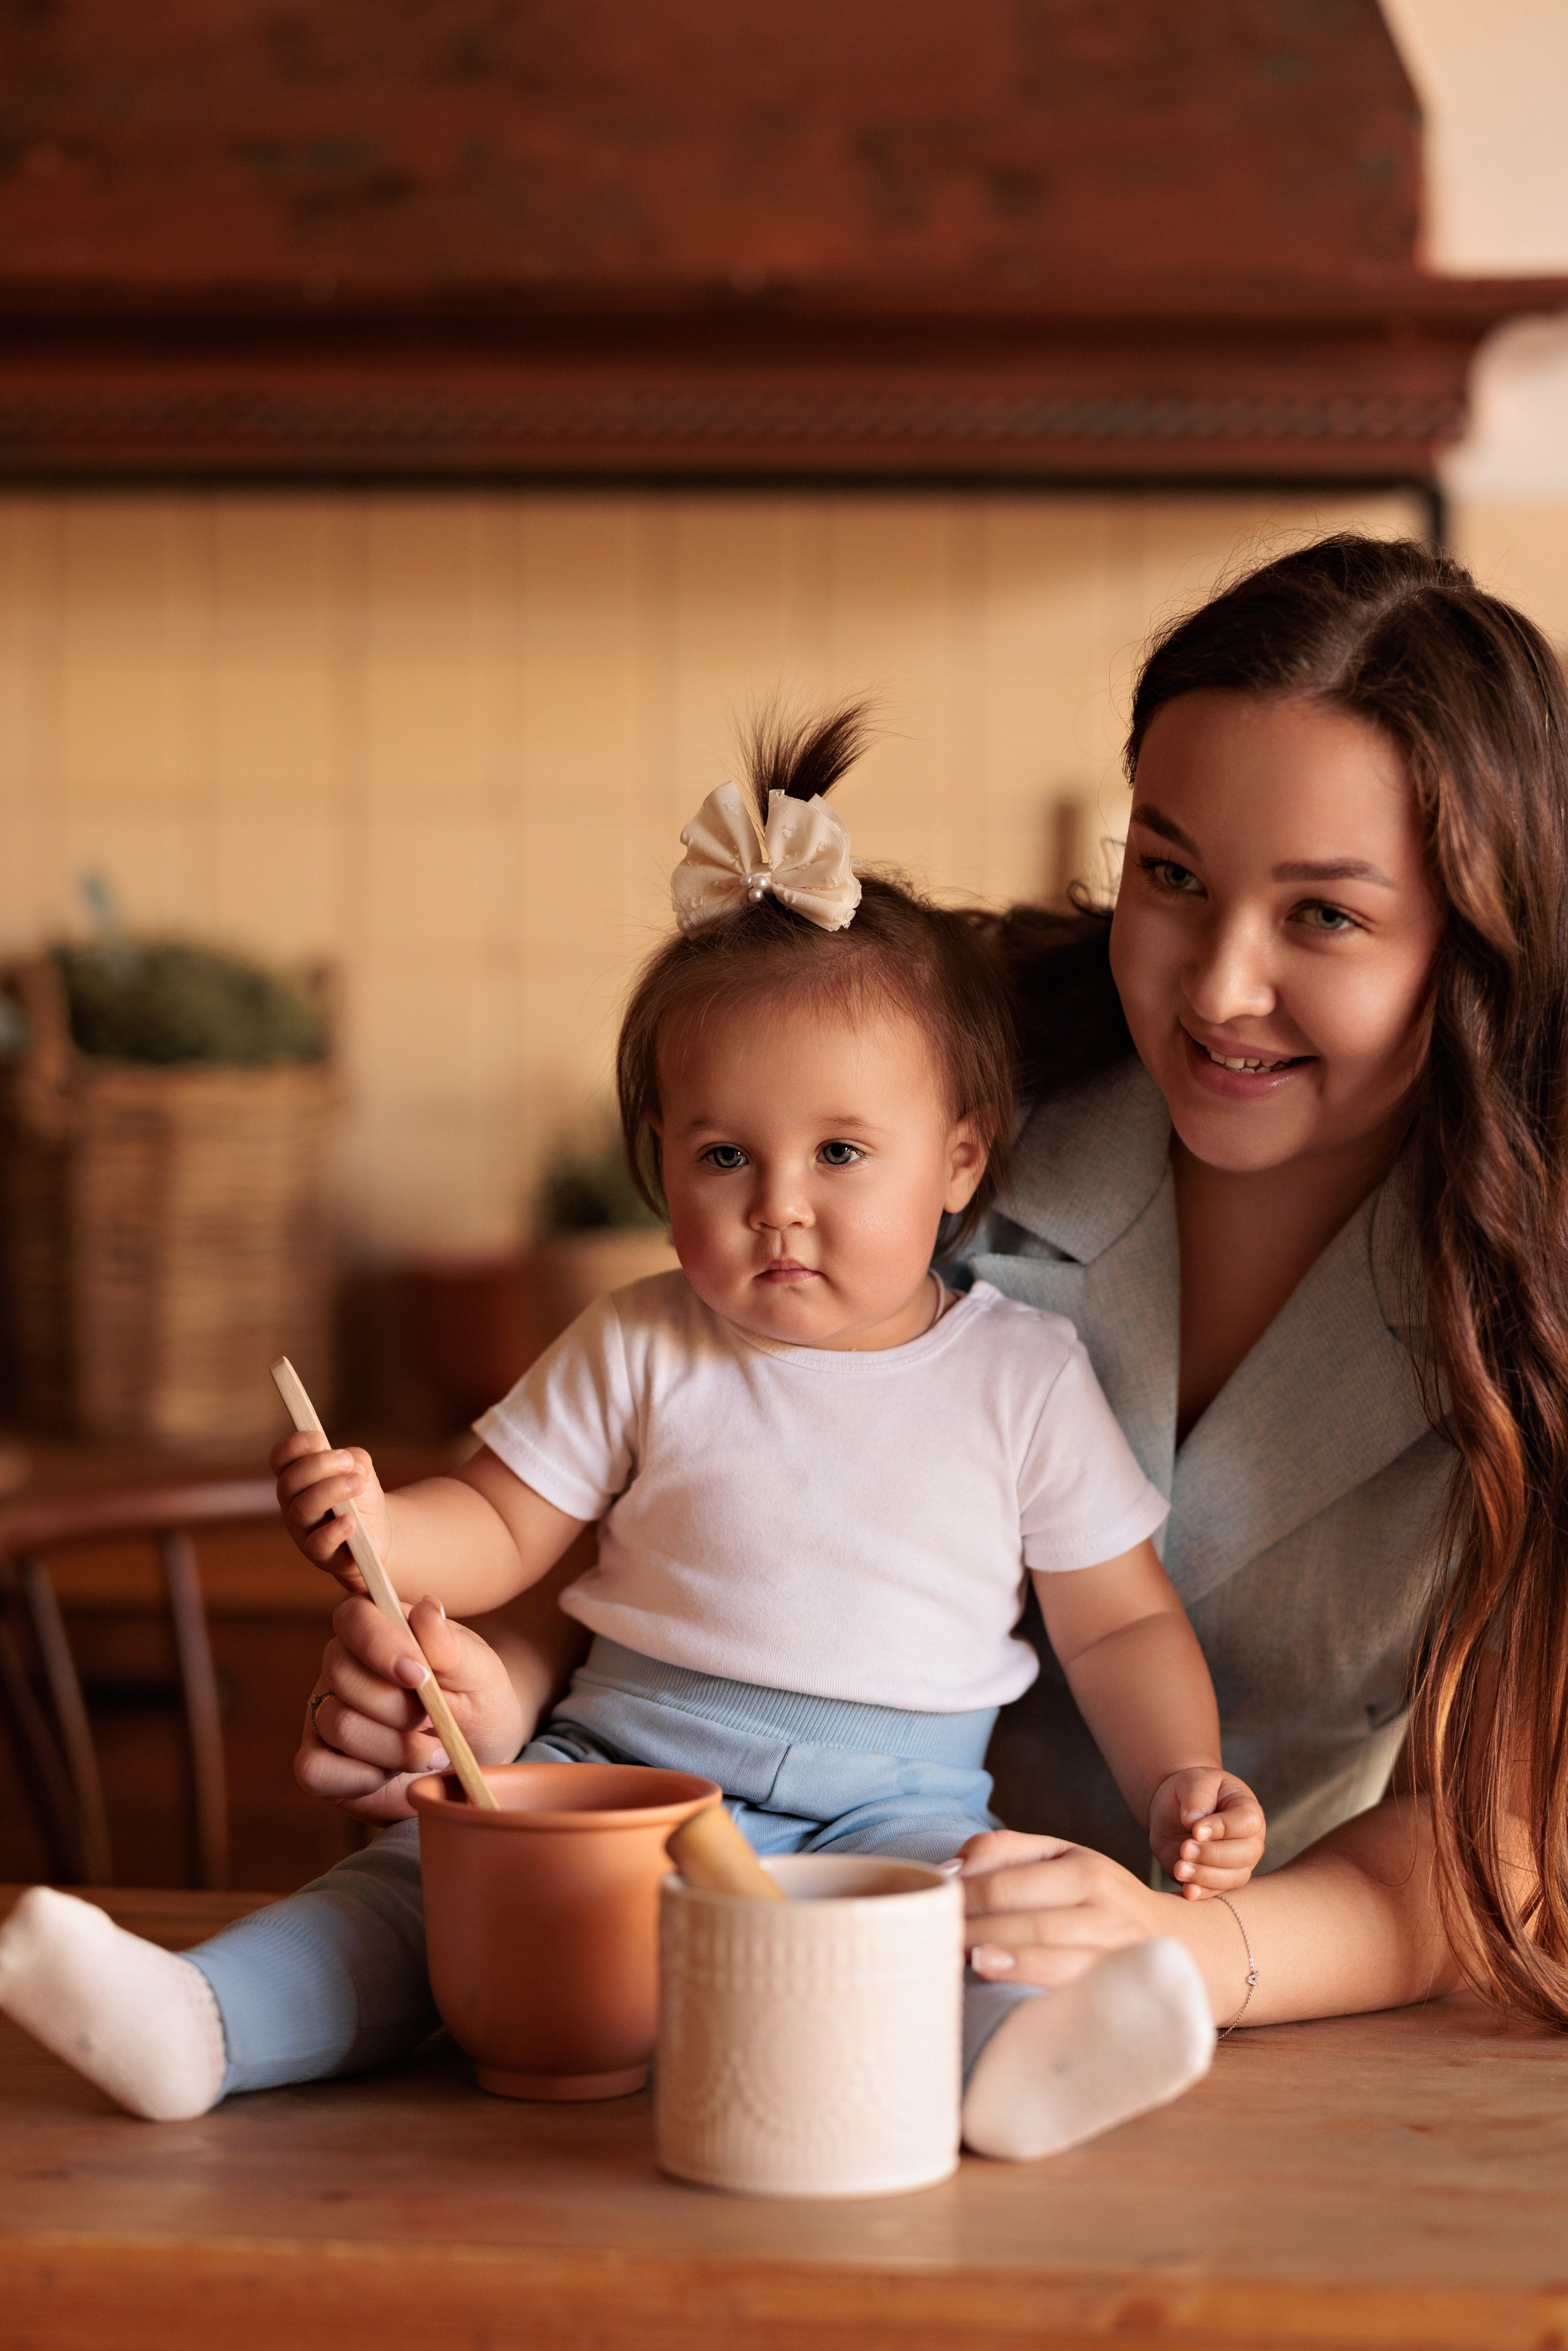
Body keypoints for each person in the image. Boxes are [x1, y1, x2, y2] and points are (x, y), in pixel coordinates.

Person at [285, 533, 1568, 2042]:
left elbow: (1503, 1834)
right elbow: (673, 1513)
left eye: (1324, 914)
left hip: (1243, 2014)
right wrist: (468, 1689)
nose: (1219, 985)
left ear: (1478, 938)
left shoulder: (1533, 1282)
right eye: (1169, 874)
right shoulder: (919, 1101)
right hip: (750, 1941)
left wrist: (1184, 1947)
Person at [0, 709, 1263, 2160]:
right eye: (723, 1153)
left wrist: (1180, 1777)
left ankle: (1022, 2067)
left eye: (839, 1151)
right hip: (618, 1771)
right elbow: (498, 1519)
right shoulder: (643, 1338)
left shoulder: (1022, 1376)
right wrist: (378, 1524)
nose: (776, 1202)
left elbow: (1118, 1623)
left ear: (958, 1159)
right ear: (660, 1160)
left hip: (891, 1812)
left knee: (970, 1922)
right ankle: (202, 2018)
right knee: (417, 1888)